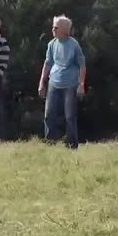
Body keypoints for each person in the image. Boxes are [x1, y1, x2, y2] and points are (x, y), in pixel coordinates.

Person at [39, 15, 87, 149]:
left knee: (70, 116)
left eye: (56, 27)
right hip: (53, 82)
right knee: (49, 114)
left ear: (64, 30)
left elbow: (82, 65)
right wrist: (41, 82)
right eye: (53, 27)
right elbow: (47, 63)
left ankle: (71, 145)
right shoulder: (51, 44)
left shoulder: (74, 45)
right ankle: (50, 143)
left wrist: (81, 84)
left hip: (70, 84)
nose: (53, 30)